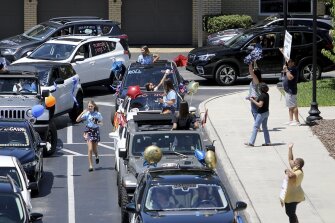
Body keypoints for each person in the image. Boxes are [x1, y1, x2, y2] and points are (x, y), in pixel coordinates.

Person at [76, 100, 103, 172]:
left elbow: (101, 123)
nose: (90, 107)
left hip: (95, 131)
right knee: (90, 149)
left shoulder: (98, 114)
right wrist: (82, 113)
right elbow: (77, 120)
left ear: (94, 106)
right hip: (88, 131)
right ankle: (91, 165)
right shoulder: (87, 114)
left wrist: (96, 121)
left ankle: (97, 156)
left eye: (91, 106)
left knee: (94, 149)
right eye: (89, 106)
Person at [282, 143, 305, 223]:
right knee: (290, 213)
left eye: (295, 163)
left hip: (294, 196)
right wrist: (290, 149)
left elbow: (291, 176)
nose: (293, 163)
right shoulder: (296, 167)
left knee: (290, 213)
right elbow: (290, 159)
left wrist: (287, 170)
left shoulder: (299, 172)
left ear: (298, 165)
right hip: (291, 195)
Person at [281, 55, 301, 126]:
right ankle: (291, 120)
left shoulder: (294, 69)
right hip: (287, 90)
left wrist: (286, 70)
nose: (288, 63)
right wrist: (285, 70)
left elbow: (290, 78)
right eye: (288, 62)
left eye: (290, 62)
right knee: (290, 106)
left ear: (293, 62)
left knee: (294, 106)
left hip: (291, 90)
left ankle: (297, 121)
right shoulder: (290, 69)